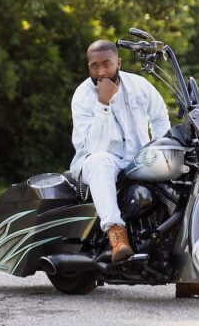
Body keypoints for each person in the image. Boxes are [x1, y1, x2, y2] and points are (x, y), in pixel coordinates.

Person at [70, 38, 170, 263]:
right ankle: (117, 234)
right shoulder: (83, 96)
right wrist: (103, 104)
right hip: (100, 161)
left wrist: (158, 147)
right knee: (100, 160)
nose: (101, 71)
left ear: (119, 63)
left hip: (139, 159)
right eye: (94, 66)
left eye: (107, 64)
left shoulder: (139, 85)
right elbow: (93, 148)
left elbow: (159, 115)